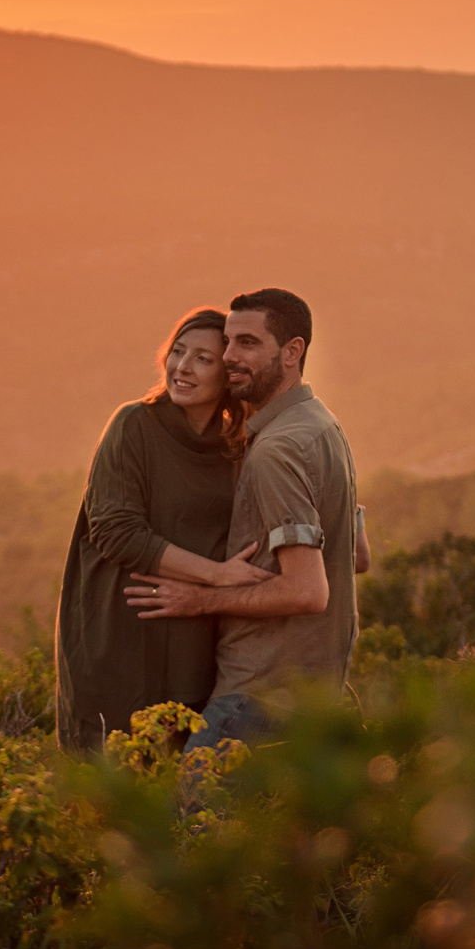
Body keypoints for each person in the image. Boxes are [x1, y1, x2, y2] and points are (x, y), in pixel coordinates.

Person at [127, 287, 361, 748]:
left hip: (258, 691)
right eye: (229, 342)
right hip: (315, 690)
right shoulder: (323, 426)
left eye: (248, 343)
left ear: (293, 352)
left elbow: (307, 591)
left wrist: (200, 600)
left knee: (192, 813)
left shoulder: (277, 450)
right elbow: (359, 554)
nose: (230, 355)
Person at [54, 307, 271, 751]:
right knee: (113, 772)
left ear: (227, 375)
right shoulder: (133, 425)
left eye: (203, 359)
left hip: (192, 636)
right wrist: (217, 575)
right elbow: (115, 531)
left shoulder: (234, 446)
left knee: (178, 774)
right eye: (177, 351)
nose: (182, 367)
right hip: (122, 629)